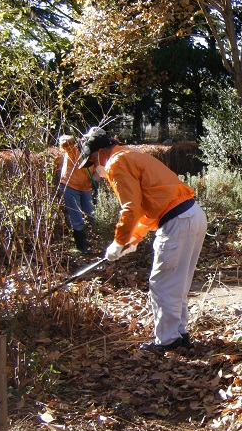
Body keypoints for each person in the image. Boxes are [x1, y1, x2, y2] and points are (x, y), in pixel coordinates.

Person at [78, 127, 207, 354]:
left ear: (99, 153)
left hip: (177, 221)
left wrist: (119, 241)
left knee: (162, 284)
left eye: (91, 161)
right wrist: (134, 239)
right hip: (191, 215)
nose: (94, 168)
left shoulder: (117, 163)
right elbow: (149, 202)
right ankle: (179, 333)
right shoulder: (130, 154)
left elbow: (131, 208)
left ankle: (167, 341)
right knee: (178, 281)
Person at [59, 135, 95, 253]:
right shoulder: (73, 148)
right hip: (71, 185)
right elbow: (63, 141)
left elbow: (99, 171)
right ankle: (80, 246)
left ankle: (83, 239)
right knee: (77, 216)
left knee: (91, 214)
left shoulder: (96, 152)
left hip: (86, 187)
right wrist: (73, 140)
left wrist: (95, 181)